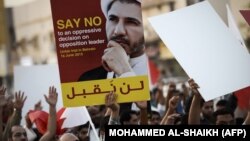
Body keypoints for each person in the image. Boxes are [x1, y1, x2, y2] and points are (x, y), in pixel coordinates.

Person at [78, 0, 147, 112]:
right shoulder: (88, 79)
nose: (118, 31)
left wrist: (125, 71)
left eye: (131, 22)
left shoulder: (155, 78)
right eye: (113, 19)